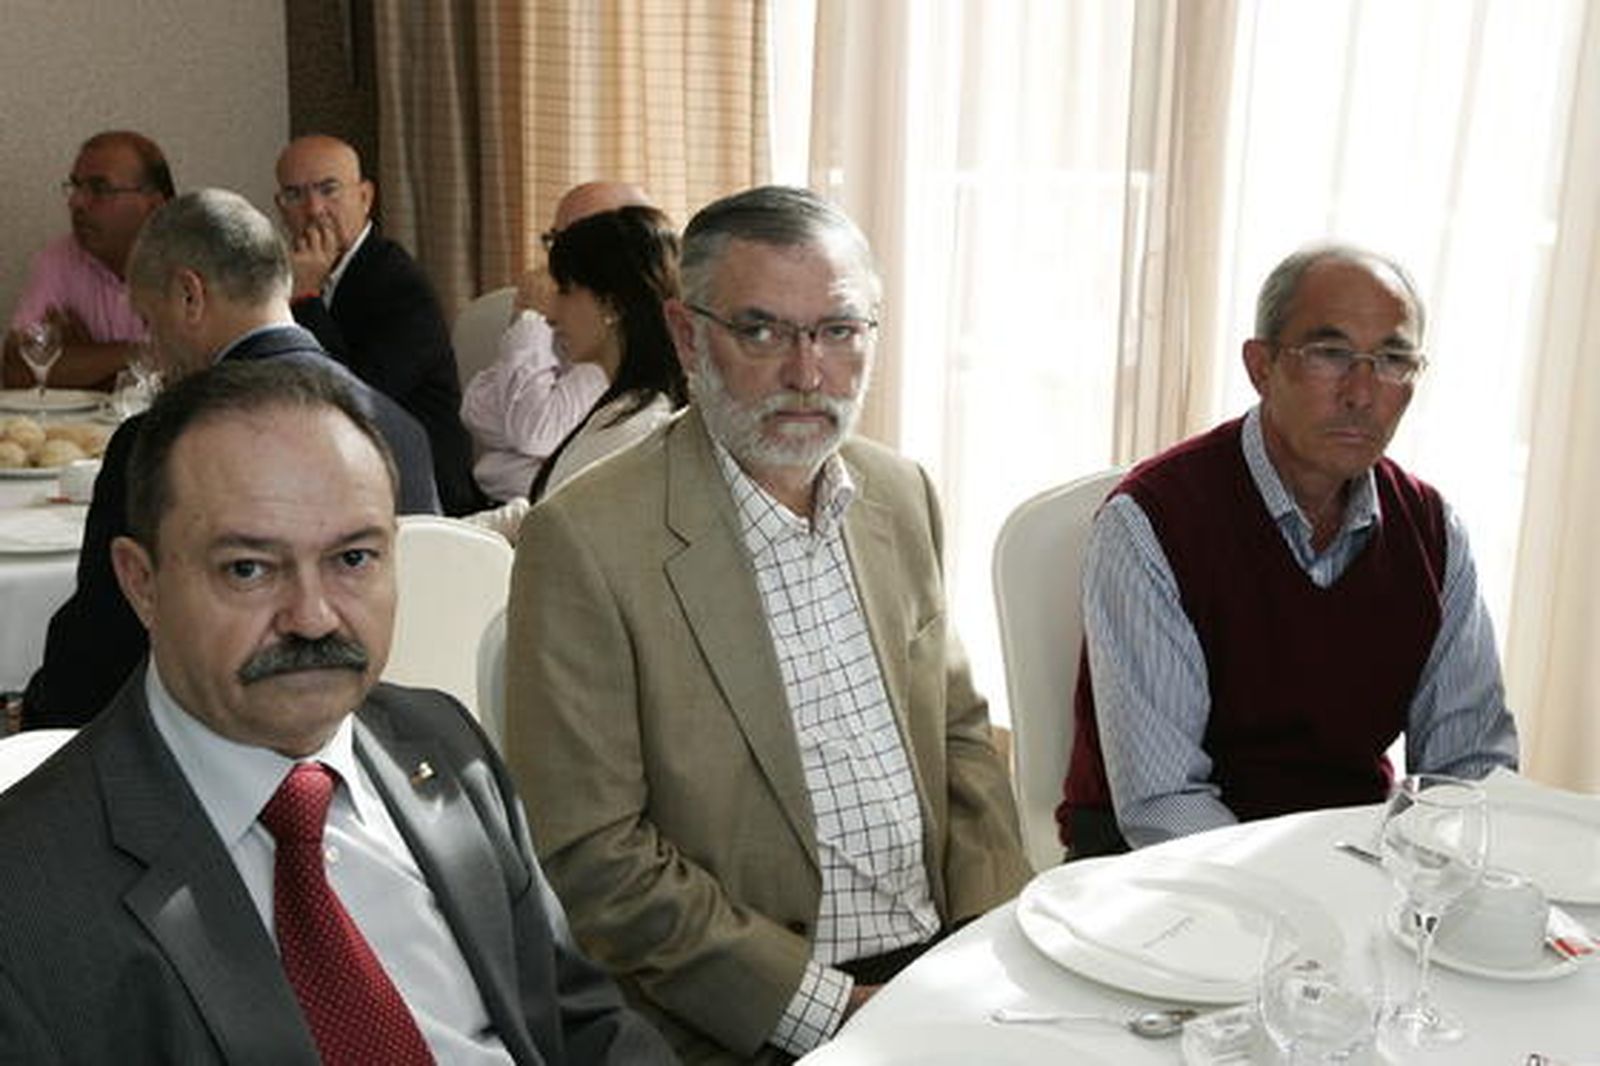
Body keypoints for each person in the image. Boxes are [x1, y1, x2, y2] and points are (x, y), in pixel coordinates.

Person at [0, 359, 677, 1065]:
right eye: (248, 569)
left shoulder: (444, 744)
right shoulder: (26, 894)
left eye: (353, 559)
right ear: (143, 583)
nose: (313, 617)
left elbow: (580, 1022)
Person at [506, 185, 1031, 1063]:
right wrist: (836, 1010)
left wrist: (985, 948)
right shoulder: (588, 542)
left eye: (839, 331)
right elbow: (596, 856)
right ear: (685, 336)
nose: (807, 373)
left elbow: (961, 739)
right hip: (750, 1013)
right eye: (760, 332)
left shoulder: (900, 494)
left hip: (941, 974)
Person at [1060, 244, 1519, 856]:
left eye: (1392, 360)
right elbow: (1164, 803)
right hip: (1157, 873)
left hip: (1345, 862)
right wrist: (1305, 894)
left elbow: (1471, 770)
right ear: (1261, 366)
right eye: (1331, 354)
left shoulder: (1434, 532)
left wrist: (1433, 869)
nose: (1362, 392)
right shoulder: (1150, 522)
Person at [22, 188, 440, 730]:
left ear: (189, 296)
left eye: (149, 321)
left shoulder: (164, 444)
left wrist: (32, 728)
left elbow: (96, 664)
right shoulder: (401, 427)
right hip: (382, 730)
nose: (153, 352)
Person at [274, 133, 482, 516]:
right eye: (295, 195)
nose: (314, 209)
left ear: (365, 197)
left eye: (328, 189)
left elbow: (353, 397)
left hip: (420, 498)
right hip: (335, 480)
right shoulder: (285, 279)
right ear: (280, 208)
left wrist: (305, 300)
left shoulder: (398, 283)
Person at [461, 181, 651, 503]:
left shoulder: (622, 339)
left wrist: (531, 316)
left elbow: (535, 432)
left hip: (546, 512)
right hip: (493, 504)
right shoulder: (562, 308)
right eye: (553, 239)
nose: (554, 259)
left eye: (572, 242)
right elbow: (475, 409)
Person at [4, 130, 173, 390]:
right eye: (76, 186)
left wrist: (82, 361)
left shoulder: (197, 261)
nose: (76, 202)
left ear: (154, 204)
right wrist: (135, 354)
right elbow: (15, 371)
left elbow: (192, 383)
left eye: (99, 189)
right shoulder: (59, 257)